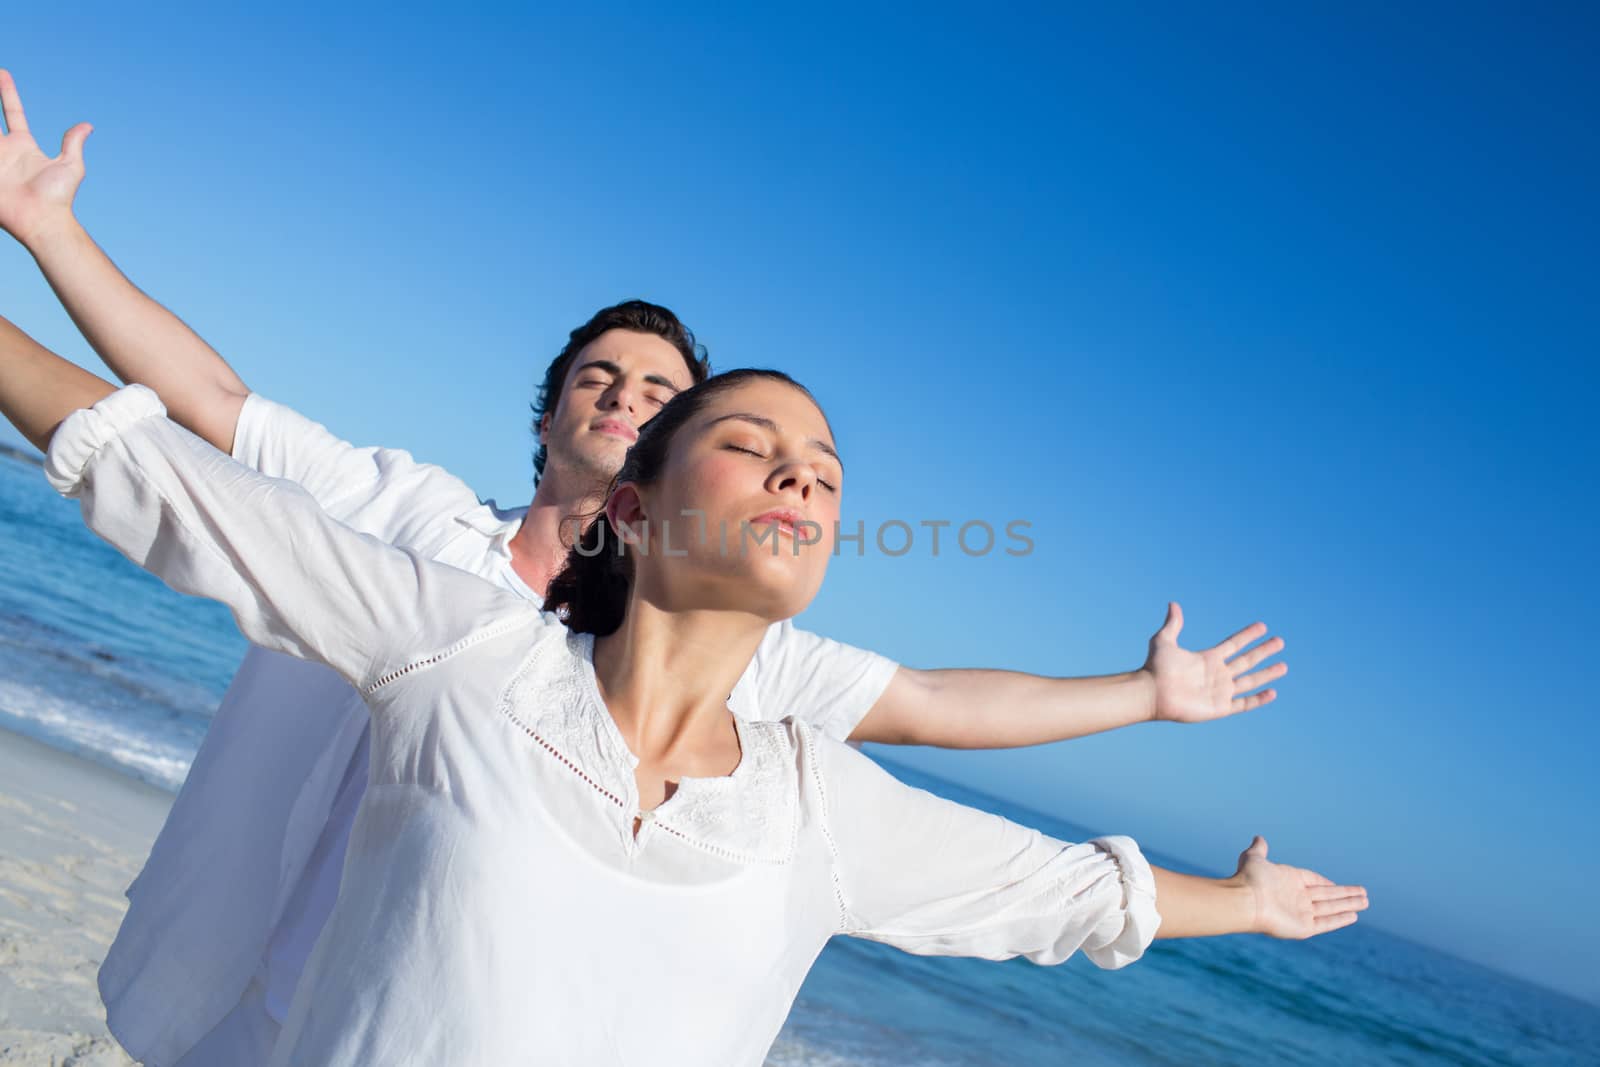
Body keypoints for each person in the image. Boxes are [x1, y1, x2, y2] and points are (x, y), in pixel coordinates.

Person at [0, 71, 1290, 1064]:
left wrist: (1145, 696)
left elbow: (955, 730)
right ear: (570, 423)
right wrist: (45, 234)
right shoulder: (421, 551)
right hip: (251, 982)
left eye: (665, 390)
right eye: (598, 377)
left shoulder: (764, 693)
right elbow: (183, 440)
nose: (625, 395)